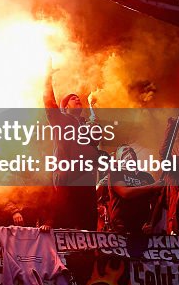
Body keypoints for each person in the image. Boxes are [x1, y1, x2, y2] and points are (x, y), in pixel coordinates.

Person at [43, 56, 103, 229]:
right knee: (66, 221)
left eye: (79, 98)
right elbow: (49, 102)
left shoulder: (85, 125)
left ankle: (88, 254)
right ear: (65, 106)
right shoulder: (61, 119)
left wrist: (92, 108)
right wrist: (48, 77)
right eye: (72, 98)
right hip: (67, 177)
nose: (77, 99)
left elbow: (96, 136)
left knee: (87, 223)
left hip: (86, 179)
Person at [97, 145, 162, 233]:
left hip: (142, 228)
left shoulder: (146, 177)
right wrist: (152, 187)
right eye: (125, 151)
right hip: (121, 228)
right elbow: (125, 193)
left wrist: (152, 223)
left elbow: (157, 202)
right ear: (119, 158)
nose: (130, 153)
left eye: (132, 151)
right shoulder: (116, 173)